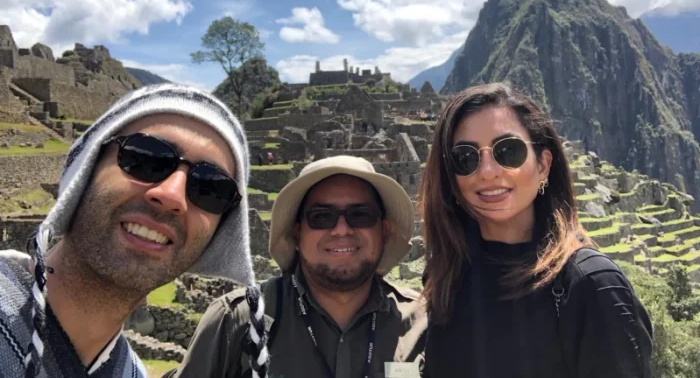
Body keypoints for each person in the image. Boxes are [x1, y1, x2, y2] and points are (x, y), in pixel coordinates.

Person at [0, 84, 270, 378]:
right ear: (85, 170)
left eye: (211, 189)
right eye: (145, 158)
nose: (172, 195)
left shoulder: (130, 372)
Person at [419, 83, 653, 378]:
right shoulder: (446, 276)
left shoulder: (590, 287)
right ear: (450, 176)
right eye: (465, 157)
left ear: (543, 164)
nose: (488, 171)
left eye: (508, 151)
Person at [173, 155, 427, 377]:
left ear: (384, 229)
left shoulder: (425, 325)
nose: (341, 230)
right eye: (321, 217)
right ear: (297, 233)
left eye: (360, 215)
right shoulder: (235, 322)